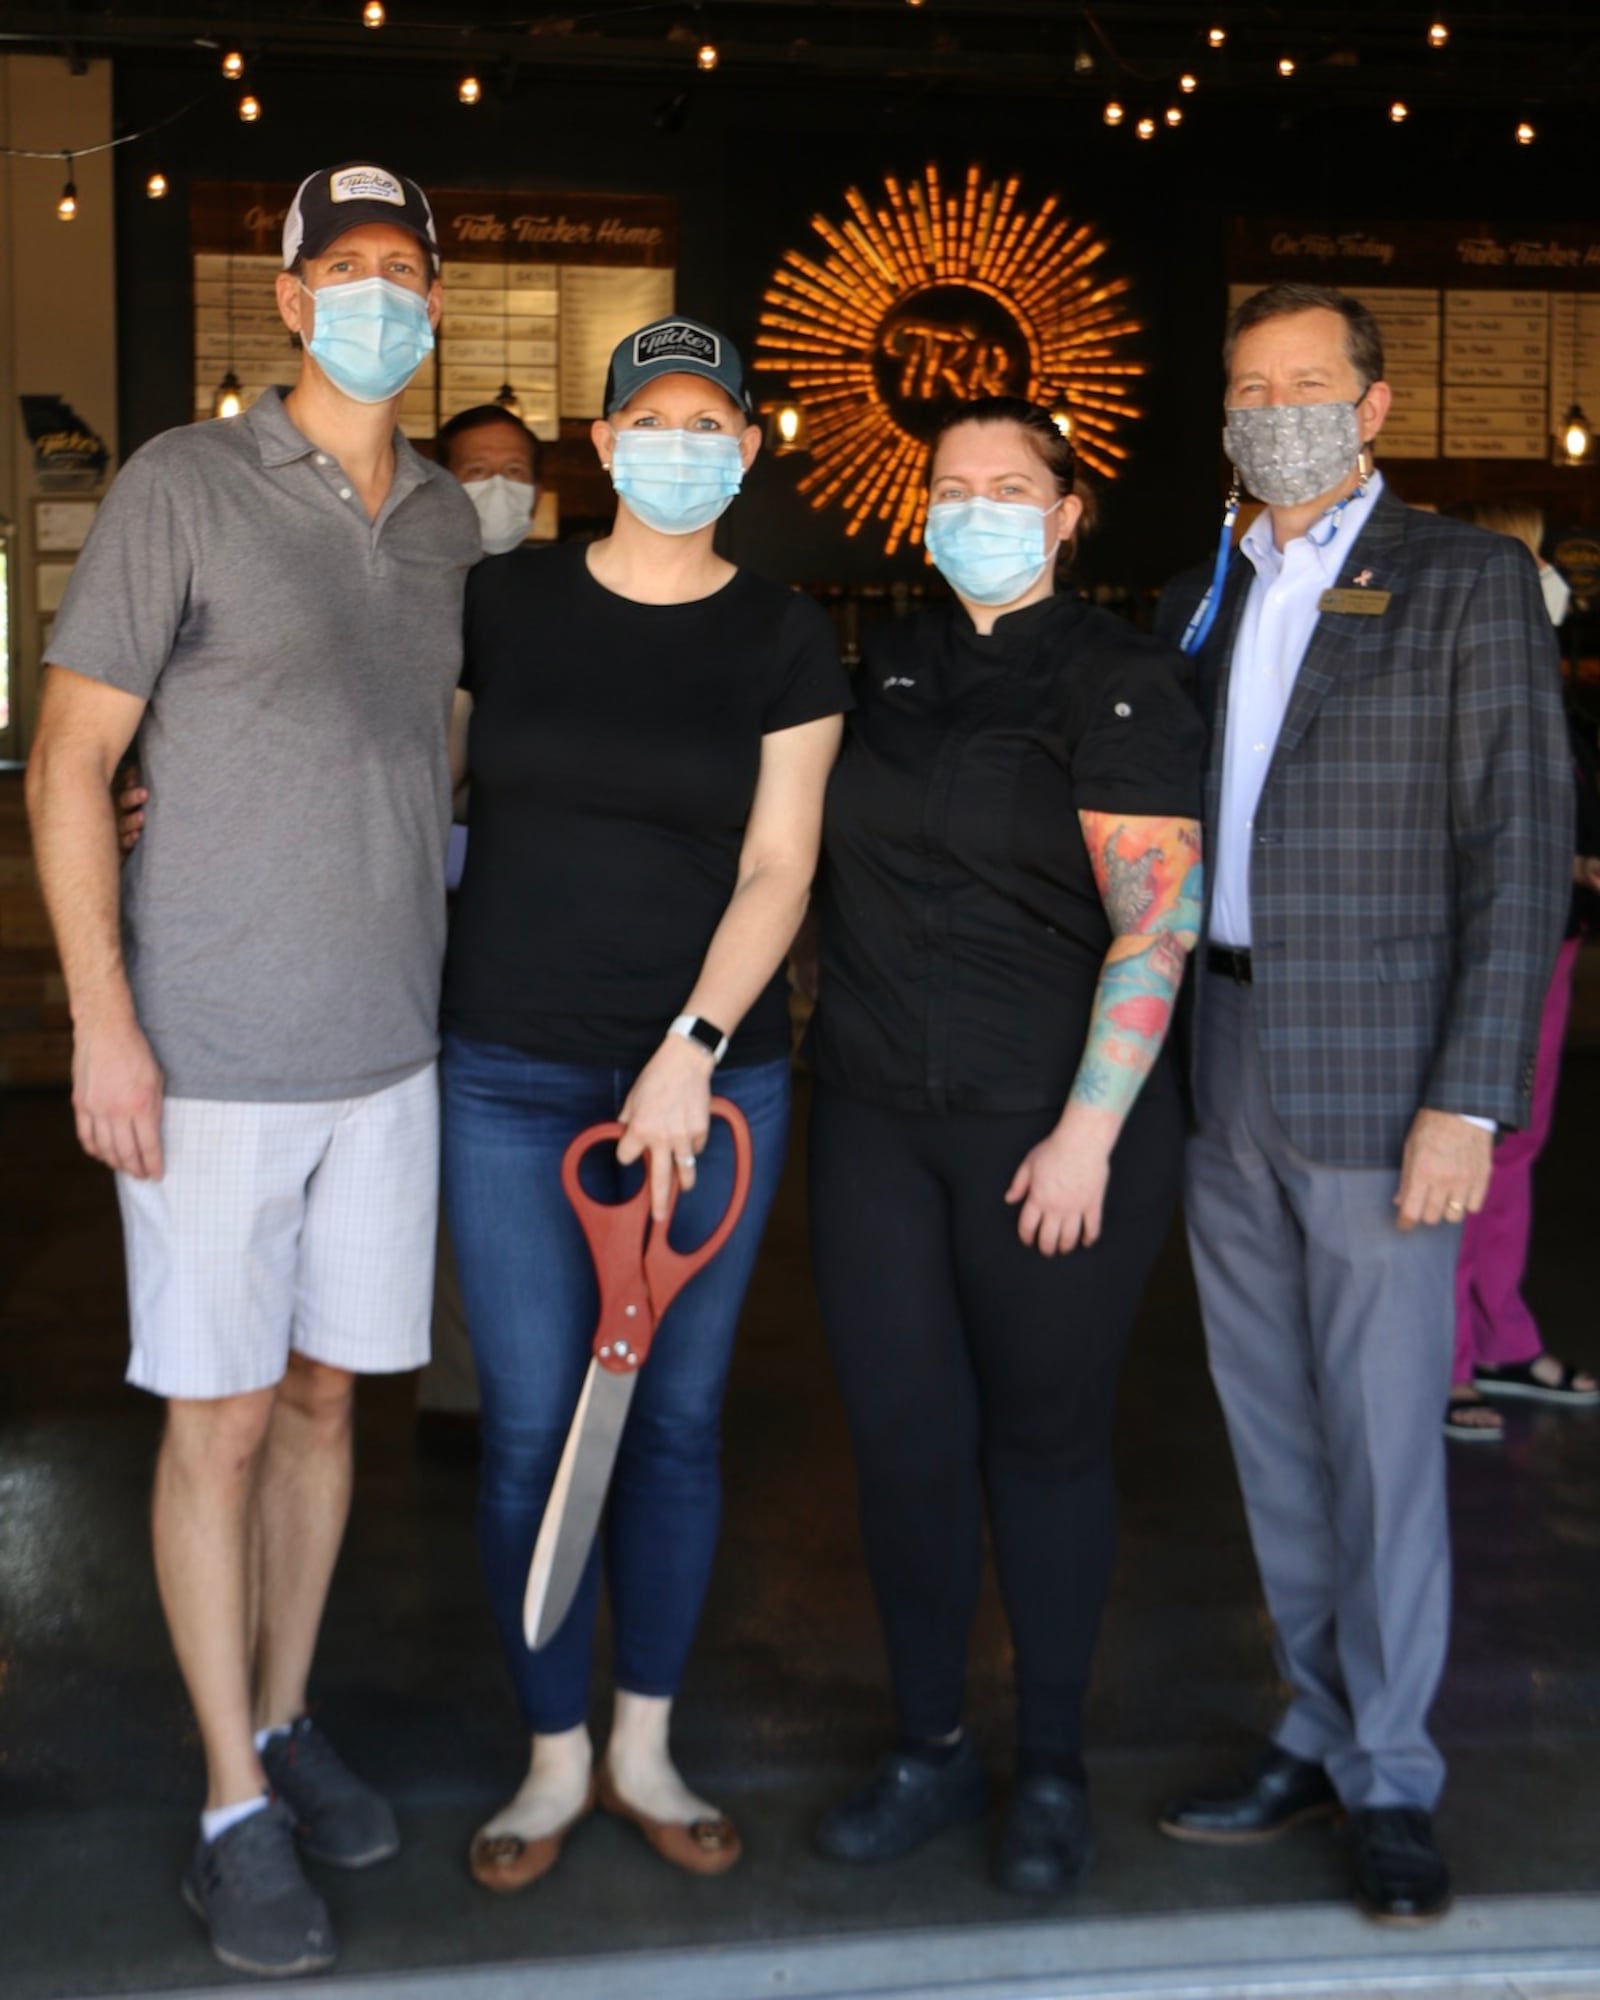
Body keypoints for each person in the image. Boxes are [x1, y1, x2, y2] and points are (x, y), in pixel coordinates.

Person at [26, 162, 480, 1977]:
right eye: (346, 268)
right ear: (288, 301)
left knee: (322, 1403)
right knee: (210, 1421)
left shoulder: (451, 518)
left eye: (408, 269)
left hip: (390, 1052)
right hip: (207, 1054)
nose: (381, 294)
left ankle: (285, 1716)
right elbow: (72, 760)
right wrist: (103, 1017)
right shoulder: (179, 483)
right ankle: (230, 1803)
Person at [1153, 284, 1571, 1925]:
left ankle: (1391, 1775)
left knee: (1388, 1444)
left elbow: (1519, 854)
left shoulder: (1466, 583)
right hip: (1228, 1058)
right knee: (1275, 1440)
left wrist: (1470, 1100)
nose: (1277, 410)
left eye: (1307, 384)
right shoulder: (1215, 581)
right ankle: (1315, 1724)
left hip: (1387, 1083)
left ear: (1375, 406)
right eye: (1252, 386)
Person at [439, 317, 849, 1891]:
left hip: (711, 1088)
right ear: (601, 446)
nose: (682, 441)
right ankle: (550, 1761)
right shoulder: (502, 602)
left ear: (747, 448)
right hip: (509, 1068)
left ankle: (643, 1747)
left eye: (713, 420)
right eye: (652, 417)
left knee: (671, 1424)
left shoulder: (784, 632)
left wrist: (689, 1043)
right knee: (532, 1427)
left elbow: (780, 863)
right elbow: (417, 781)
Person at [806, 398, 1205, 1896]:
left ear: (1067, 510)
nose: (977, 506)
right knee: (906, 1448)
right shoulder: (887, 661)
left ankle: (1048, 1763)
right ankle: (926, 1749)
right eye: (951, 485)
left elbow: (1155, 921)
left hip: (1055, 1130)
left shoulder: (1118, 678)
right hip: (870, 1122)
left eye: (1010, 486)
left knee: (1044, 1445)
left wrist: (1091, 1133)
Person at [1438, 502, 1598, 1439]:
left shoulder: (1542, 679)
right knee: (1466, 1147)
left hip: (1554, 940)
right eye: (1529, 559)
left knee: (1513, 1152)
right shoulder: (1457, 681)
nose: (1552, 579)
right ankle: (1450, 1356)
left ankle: (1501, 1338)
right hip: (1487, 945)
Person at [438, 402, 543, 555]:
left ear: (537, 494)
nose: (498, 487)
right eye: (477, 470)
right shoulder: (406, 573)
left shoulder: (559, 576)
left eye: (514, 470)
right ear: (440, 489)